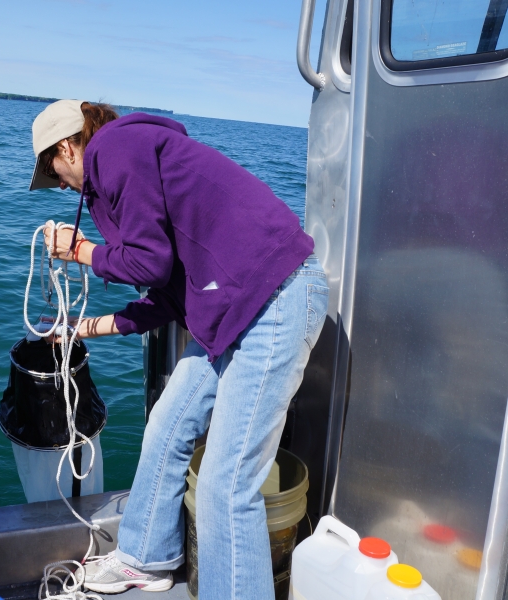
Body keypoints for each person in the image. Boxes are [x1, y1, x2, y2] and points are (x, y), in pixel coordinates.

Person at [28, 100, 327, 599]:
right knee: (167, 426)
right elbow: (165, 295)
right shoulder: (125, 167)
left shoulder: (115, 147)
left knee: (226, 486)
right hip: (231, 312)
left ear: (66, 148)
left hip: (274, 299)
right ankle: (146, 558)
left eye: (52, 173)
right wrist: (80, 328)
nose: (60, 186)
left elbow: (148, 263)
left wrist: (80, 251)